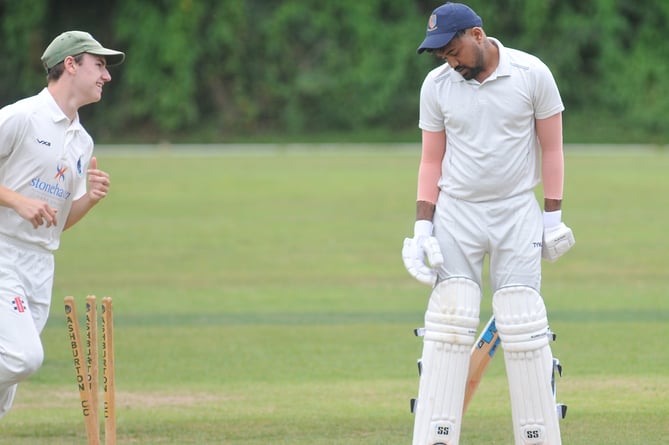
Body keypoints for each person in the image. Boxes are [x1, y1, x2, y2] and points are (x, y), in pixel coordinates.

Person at [401, 3, 574, 445]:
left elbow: (552, 150)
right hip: (456, 211)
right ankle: (435, 435)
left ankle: (537, 435)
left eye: (452, 49)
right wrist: (422, 228)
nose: (448, 60)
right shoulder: (437, 85)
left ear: (477, 35)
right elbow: (430, 160)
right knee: (449, 317)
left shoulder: (532, 74)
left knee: (522, 319)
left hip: (516, 209)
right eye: (440, 54)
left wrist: (552, 218)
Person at [0, 30, 124, 419]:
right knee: (23, 359)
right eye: (99, 65)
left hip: (40, 266)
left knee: (6, 392)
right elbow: (24, 205)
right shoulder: (21, 117)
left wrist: (88, 198)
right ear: (70, 65)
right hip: (3, 251)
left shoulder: (81, 142)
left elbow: (55, 222)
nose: (106, 76)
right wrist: (17, 200)